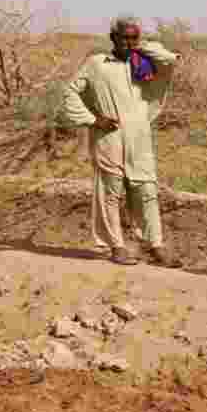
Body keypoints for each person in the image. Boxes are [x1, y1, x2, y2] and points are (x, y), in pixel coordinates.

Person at [61, 15, 183, 267]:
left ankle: (154, 246)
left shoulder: (144, 63)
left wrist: (141, 46)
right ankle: (115, 245)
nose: (128, 43)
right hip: (109, 137)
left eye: (133, 37)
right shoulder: (96, 64)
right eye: (123, 37)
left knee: (147, 191)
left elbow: (170, 59)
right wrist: (92, 119)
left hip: (139, 138)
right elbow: (70, 92)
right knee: (110, 193)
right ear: (112, 38)